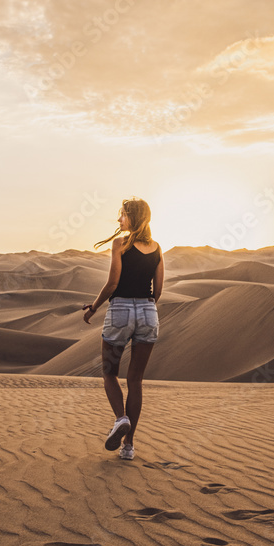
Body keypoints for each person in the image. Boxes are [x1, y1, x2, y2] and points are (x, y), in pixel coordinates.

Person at [82, 197, 164, 460]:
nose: (119, 220)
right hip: (149, 312)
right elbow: (158, 290)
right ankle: (128, 447)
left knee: (109, 373)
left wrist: (93, 307)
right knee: (136, 380)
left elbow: (112, 283)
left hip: (120, 312)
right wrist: (144, 309)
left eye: (123, 215)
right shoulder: (157, 248)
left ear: (134, 218)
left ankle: (120, 419)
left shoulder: (120, 244)